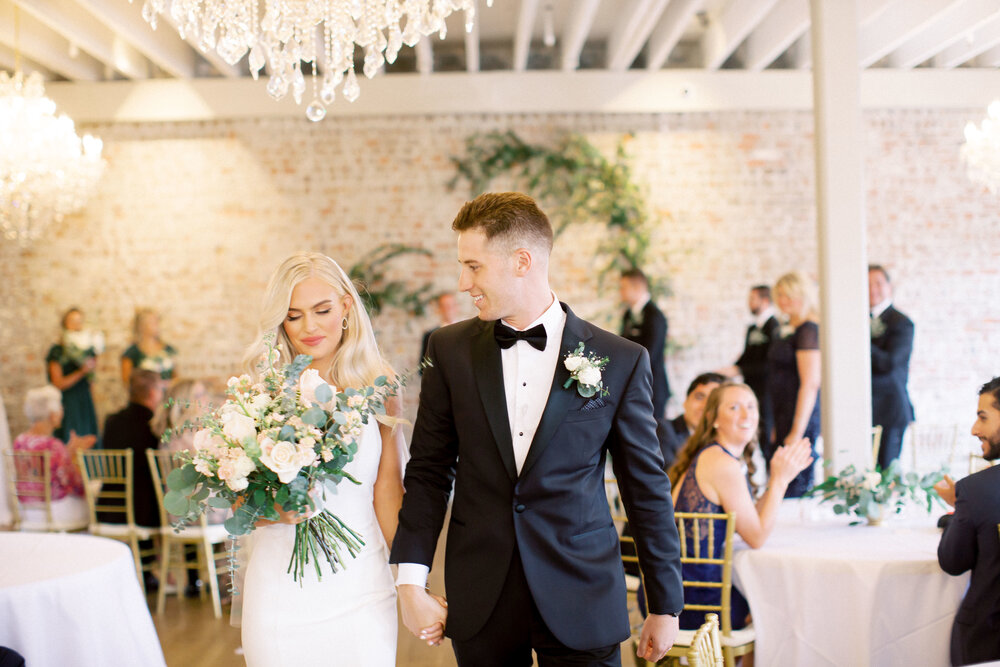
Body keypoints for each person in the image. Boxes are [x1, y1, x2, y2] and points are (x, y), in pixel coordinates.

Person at [391, 192, 684, 666]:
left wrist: (664, 603)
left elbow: (645, 487)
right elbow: (427, 472)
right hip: (481, 595)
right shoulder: (449, 351)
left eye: (474, 266)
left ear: (522, 261)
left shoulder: (621, 360)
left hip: (583, 594)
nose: (463, 282)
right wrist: (410, 582)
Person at [238, 252, 405, 667]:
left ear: (347, 306)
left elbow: (387, 490)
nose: (309, 327)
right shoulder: (262, 390)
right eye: (294, 316)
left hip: (362, 587)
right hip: (279, 593)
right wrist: (271, 509)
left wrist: (411, 580)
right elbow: (240, 505)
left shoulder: (378, 383)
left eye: (322, 310)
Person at [665, 383, 812, 632]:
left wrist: (778, 479)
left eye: (751, 406)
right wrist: (779, 480)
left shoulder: (714, 455)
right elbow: (756, 537)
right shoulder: (722, 464)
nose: (746, 415)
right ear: (713, 418)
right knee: (778, 609)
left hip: (676, 589)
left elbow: (749, 518)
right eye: (734, 407)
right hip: (693, 601)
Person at [935, 377, 1000, 666]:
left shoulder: (975, 490)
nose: (975, 430)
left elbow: (953, 561)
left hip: (988, 644)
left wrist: (957, 514)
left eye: (982, 418)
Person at [103, 369, 165, 590]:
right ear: (152, 392)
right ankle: (151, 569)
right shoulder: (154, 425)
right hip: (144, 509)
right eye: (161, 389)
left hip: (110, 505)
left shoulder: (112, 421)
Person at [767, 272, 821, 498]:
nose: (783, 301)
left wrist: (796, 431)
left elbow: (810, 383)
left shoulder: (809, 329)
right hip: (780, 411)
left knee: (794, 484)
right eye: (779, 295)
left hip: (798, 414)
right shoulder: (786, 327)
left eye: (789, 296)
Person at [12, 385, 95, 524]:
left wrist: (68, 450)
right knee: (94, 498)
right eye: (61, 408)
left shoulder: (19, 441)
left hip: (26, 511)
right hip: (54, 512)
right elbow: (76, 486)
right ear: (52, 414)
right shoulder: (53, 445)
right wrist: (75, 456)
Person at [720, 286, 780, 451]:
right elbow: (746, 355)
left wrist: (740, 370)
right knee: (756, 435)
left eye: (753, 299)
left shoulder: (775, 326)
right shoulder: (752, 328)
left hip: (767, 390)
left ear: (765, 300)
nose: (749, 303)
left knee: (767, 435)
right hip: (751, 388)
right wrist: (731, 368)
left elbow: (770, 363)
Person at [868, 265, 915, 468]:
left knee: (887, 472)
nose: (872, 289)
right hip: (863, 408)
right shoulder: (855, 321)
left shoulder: (902, 323)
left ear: (889, 286)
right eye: (867, 284)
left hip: (890, 407)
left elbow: (890, 363)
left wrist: (861, 341)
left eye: (877, 283)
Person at [620, 268, 671, 419]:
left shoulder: (655, 316)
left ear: (637, 288)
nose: (620, 292)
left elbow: (651, 354)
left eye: (623, 287)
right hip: (635, 386)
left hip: (652, 387)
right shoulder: (628, 314)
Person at [46, 307, 100, 445]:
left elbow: (91, 381)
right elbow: (57, 383)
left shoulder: (88, 350)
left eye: (79, 321)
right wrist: (81, 371)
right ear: (65, 324)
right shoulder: (58, 351)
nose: (77, 325)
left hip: (84, 401)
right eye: (73, 321)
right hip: (67, 401)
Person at [121, 308, 178, 386]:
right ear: (142, 326)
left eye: (158, 322)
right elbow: (127, 382)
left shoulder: (169, 350)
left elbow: (175, 377)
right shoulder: (132, 353)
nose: (157, 326)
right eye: (153, 323)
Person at [670, 373, 726, 444]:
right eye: (699, 397)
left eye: (713, 401)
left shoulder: (720, 441)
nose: (705, 406)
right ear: (685, 401)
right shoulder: (662, 431)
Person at [419, 292, 460, 366]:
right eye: (445, 306)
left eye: (452, 305)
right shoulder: (429, 336)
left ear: (457, 307)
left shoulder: (467, 332)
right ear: (439, 309)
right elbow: (423, 367)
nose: (449, 309)